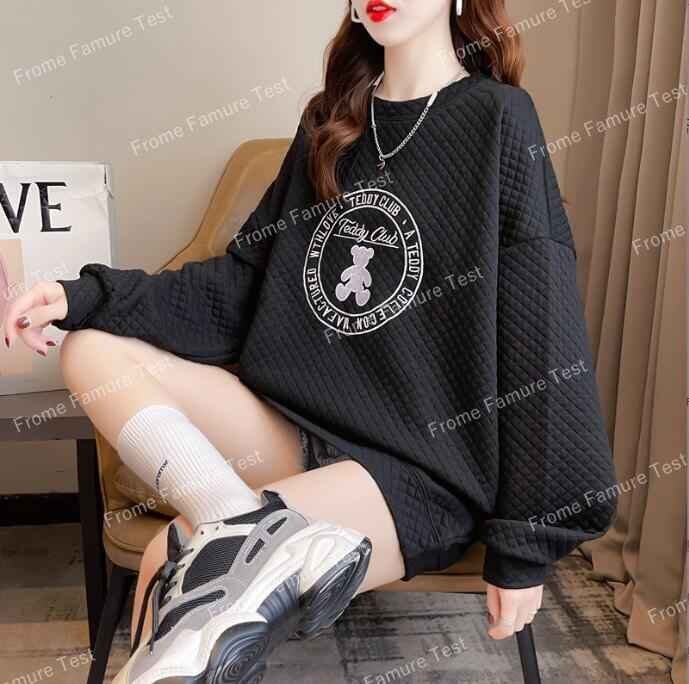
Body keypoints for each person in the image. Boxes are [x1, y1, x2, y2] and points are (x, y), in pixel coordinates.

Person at [5, 1, 618, 682]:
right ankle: (238, 521)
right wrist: (81, 297)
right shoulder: (330, 120)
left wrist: (527, 545)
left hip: (418, 470)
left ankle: (244, 541)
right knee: (89, 349)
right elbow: (241, 285)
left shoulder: (497, 117)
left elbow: (540, 328)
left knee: (172, 563)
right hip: (292, 428)